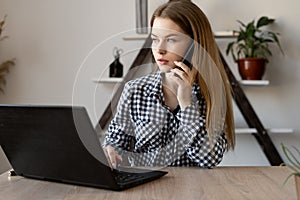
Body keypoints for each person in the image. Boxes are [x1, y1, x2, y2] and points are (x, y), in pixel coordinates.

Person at [103, 0, 235, 169]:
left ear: (195, 46)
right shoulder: (135, 90)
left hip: (195, 192)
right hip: (147, 190)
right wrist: (110, 151)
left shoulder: (211, 94)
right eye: (155, 39)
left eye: (171, 40)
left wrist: (187, 104)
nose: (160, 49)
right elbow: (115, 142)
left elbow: (210, 160)